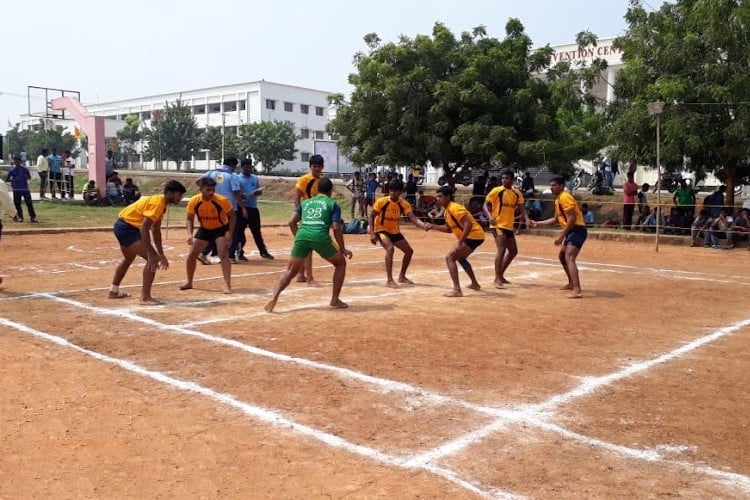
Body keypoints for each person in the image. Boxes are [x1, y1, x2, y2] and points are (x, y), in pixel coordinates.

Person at [264, 177, 352, 312]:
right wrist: (342, 248)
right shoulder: (333, 204)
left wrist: (298, 237)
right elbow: (336, 227)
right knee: (340, 264)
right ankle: (335, 299)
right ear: (330, 191)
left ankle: (275, 295)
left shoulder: (306, 203)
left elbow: (291, 222)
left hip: (302, 235)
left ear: (317, 190)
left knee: (290, 271)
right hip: (320, 236)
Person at [109, 180, 187, 304]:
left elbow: (156, 230)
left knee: (128, 258)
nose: (181, 198)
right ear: (169, 193)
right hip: (127, 228)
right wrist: (152, 254)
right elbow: (144, 228)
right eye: (179, 194)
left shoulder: (161, 204)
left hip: (124, 225)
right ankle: (145, 297)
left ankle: (114, 291)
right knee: (153, 260)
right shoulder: (158, 204)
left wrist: (161, 253)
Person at [530, 176, 587, 299]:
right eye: (551, 185)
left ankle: (577, 289)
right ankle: (572, 283)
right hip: (571, 231)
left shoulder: (565, 197)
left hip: (577, 230)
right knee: (562, 256)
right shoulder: (558, 200)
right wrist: (537, 223)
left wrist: (561, 235)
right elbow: (555, 219)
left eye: (554, 185)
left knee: (569, 257)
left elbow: (572, 219)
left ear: (561, 186)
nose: (551, 187)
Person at [368, 178, 430, 288]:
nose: (393, 193)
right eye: (391, 190)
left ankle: (402, 276)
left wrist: (423, 225)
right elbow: (371, 216)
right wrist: (372, 233)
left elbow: (413, 218)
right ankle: (389, 280)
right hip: (381, 229)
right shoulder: (382, 202)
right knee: (390, 248)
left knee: (409, 251)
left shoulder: (404, 204)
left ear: (400, 192)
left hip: (394, 231)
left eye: (395, 190)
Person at [425, 185, 484, 297]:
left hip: (473, 236)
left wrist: (461, 242)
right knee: (460, 258)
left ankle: (457, 289)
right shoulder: (447, 211)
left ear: (448, 196)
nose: (437, 199)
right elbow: (448, 229)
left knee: (450, 257)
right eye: (437, 196)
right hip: (474, 236)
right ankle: (475, 283)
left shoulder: (454, 208)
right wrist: (433, 226)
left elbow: (468, 224)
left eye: (440, 196)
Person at [181, 177, 236, 294]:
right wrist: (189, 234)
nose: (211, 193)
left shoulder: (222, 200)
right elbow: (189, 219)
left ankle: (228, 285)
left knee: (223, 254)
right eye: (208, 190)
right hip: (204, 229)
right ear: (201, 189)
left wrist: (230, 233)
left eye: (213, 190)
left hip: (220, 229)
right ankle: (189, 281)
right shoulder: (194, 201)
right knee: (191, 255)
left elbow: (232, 217)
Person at [483, 169, 529, 289]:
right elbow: (485, 205)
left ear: (512, 180)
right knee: (502, 248)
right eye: (503, 178)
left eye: (507, 178)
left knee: (513, 251)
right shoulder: (497, 190)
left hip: (509, 225)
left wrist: (527, 220)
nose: (504, 180)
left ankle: (500, 275)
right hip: (497, 224)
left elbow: (523, 209)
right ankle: (497, 278)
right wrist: (489, 216)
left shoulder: (517, 193)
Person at [198, 156, 243, 265]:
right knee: (233, 231)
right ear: (232, 164)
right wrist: (243, 207)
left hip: (213, 206)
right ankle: (230, 256)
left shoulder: (211, 173)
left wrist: (206, 192)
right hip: (229, 207)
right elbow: (236, 193)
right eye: (235, 166)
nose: (235, 168)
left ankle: (203, 253)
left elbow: (198, 182)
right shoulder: (232, 176)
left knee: (213, 231)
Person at [293, 154, 325, 284]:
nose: (317, 169)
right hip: (306, 216)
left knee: (305, 247)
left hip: (317, 217)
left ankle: (301, 275)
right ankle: (310, 278)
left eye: (319, 166)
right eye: (314, 166)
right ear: (310, 167)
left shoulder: (322, 182)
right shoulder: (304, 179)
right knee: (308, 246)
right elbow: (297, 198)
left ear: (322, 167)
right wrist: (299, 214)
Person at [237, 158, 273, 260]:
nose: (248, 169)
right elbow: (236, 193)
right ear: (242, 167)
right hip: (242, 208)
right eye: (246, 167)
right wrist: (241, 196)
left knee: (256, 231)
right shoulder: (237, 178)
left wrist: (258, 192)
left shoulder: (255, 178)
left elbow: (259, 191)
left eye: (250, 167)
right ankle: (240, 252)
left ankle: (263, 252)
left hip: (253, 207)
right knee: (240, 231)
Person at [6, 155, 37, 223]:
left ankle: (33, 217)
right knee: (17, 204)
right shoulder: (12, 170)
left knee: (29, 203)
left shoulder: (25, 169)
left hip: (25, 189)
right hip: (16, 189)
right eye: (15, 161)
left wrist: (27, 177)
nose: (16, 162)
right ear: (14, 162)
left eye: (18, 161)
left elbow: (29, 177)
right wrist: (14, 179)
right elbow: (7, 179)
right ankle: (20, 217)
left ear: (20, 161)